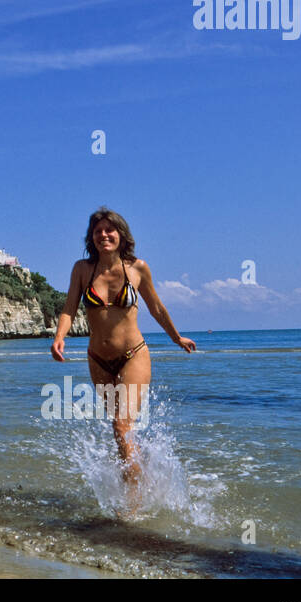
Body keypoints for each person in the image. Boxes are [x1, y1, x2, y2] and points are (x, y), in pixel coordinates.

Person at [50, 208, 196, 513]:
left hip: (134, 355)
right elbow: (68, 307)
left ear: (121, 235)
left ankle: (132, 506)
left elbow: (156, 308)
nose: (104, 235)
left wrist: (176, 337)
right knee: (121, 434)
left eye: (109, 230)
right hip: (98, 360)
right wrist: (59, 336)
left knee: (121, 425)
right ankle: (139, 485)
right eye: (98, 231)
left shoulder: (137, 269)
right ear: (91, 237)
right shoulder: (82, 270)